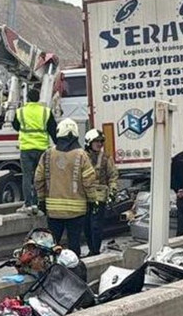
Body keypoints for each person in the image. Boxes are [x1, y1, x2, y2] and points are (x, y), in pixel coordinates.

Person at [34, 118, 97, 257]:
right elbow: (89, 181)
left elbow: (38, 179)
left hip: (53, 210)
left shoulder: (48, 154)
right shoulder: (82, 155)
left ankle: (51, 269)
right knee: (74, 244)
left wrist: (41, 200)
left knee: (53, 244)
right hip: (77, 210)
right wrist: (93, 201)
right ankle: (73, 271)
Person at [13, 88, 57, 215]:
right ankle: (39, 203)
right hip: (42, 148)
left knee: (27, 176)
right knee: (41, 177)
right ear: (38, 99)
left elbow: (16, 126)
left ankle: (28, 203)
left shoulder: (20, 112)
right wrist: (58, 144)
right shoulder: (45, 112)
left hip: (26, 148)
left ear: (28, 99)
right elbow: (52, 130)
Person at [83, 129, 119, 256]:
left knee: (96, 226)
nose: (99, 144)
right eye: (96, 141)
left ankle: (95, 251)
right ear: (89, 142)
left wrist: (112, 191)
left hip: (100, 198)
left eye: (101, 142)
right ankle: (91, 248)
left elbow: (113, 176)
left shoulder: (106, 158)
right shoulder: (81, 157)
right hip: (85, 198)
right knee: (86, 226)